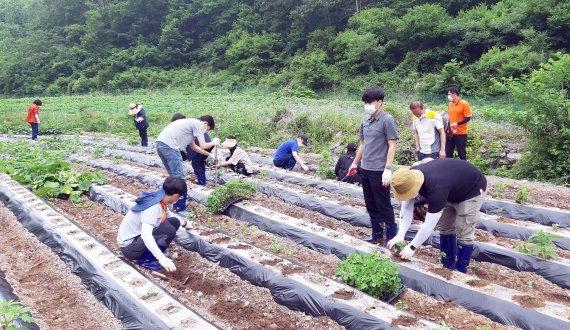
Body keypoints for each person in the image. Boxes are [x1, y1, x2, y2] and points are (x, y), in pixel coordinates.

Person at [387, 159, 487, 273]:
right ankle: (447, 263)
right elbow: (406, 208)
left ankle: (460, 270)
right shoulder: (408, 177)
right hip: (450, 187)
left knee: (463, 229)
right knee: (445, 226)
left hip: (472, 190)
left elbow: (428, 225)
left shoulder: (436, 189)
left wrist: (412, 247)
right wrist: (400, 235)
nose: (408, 196)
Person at [347, 86, 399, 243]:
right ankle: (377, 234)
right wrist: (355, 163)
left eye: (370, 102)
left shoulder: (387, 120)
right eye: (365, 102)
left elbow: (392, 145)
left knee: (383, 204)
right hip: (365, 168)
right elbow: (363, 144)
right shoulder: (365, 120)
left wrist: (388, 169)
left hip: (379, 170)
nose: (367, 105)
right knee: (370, 203)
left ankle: (391, 238)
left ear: (380, 102)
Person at [117, 177, 188, 271]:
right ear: (175, 196)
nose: (179, 199)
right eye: (180, 197)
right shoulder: (153, 207)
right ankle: (145, 260)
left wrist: (185, 223)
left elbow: (167, 213)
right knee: (169, 230)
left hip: (136, 239)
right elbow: (146, 235)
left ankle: (152, 253)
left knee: (174, 222)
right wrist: (162, 259)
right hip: (130, 247)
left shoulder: (160, 196)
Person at [156, 116, 219, 212]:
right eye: (207, 130)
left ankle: (162, 203)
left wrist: (210, 155)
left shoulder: (189, 126)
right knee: (180, 180)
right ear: (205, 124)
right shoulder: (198, 124)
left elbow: (195, 147)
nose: (205, 132)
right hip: (170, 147)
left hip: (160, 145)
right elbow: (203, 145)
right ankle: (179, 209)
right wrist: (213, 142)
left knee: (173, 178)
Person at [446, 87, 471, 160]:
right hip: (450, 132)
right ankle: (450, 168)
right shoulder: (450, 104)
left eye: (449, 94)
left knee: (461, 153)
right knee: (448, 153)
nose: (448, 96)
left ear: (454, 94)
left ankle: (464, 169)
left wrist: (457, 123)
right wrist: (448, 129)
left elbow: (468, 118)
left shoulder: (464, 104)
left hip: (461, 133)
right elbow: (449, 117)